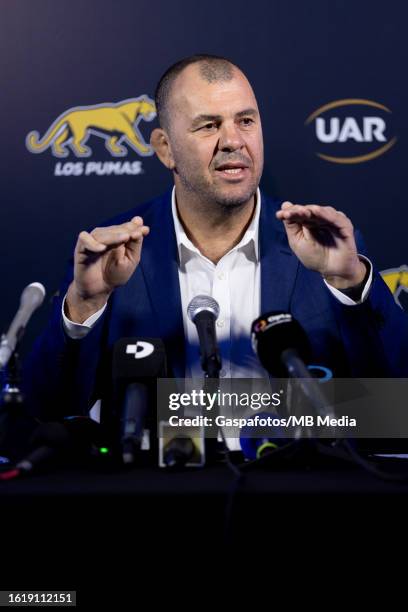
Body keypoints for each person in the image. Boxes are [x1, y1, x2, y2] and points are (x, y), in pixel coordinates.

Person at [24, 54, 408, 420]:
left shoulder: (326, 248)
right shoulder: (111, 255)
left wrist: (351, 283)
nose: (233, 141)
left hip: (296, 479)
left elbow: (395, 405)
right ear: (165, 148)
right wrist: (85, 306)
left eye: (245, 121)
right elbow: (48, 408)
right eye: (208, 125)